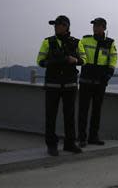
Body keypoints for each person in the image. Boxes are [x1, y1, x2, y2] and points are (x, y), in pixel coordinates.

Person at [37, 15, 86, 156]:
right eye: (55, 25)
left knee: (70, 116)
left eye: (58, 24)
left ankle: (70, 144)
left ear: (66, 26)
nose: (55, 27)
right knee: (50, 116)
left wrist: (74, 60)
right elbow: (40, 60)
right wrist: (51, 61)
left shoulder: (76, 42)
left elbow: (84, 60)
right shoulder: (48, 42)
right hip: (52, 85)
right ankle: (51, 145)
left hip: (69, 85)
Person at [78, 17, 117, 147]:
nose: (95, 27)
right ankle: (82, 137)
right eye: (94, 25)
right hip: (85, 81)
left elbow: (113, 60)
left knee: (96, 111)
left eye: (98, 25)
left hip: (100, 82)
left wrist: (108, 75)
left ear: (104, 28)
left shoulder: (110, 43)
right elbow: (78, 54)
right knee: (83, 110)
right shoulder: (85, 40)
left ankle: (93, 137)